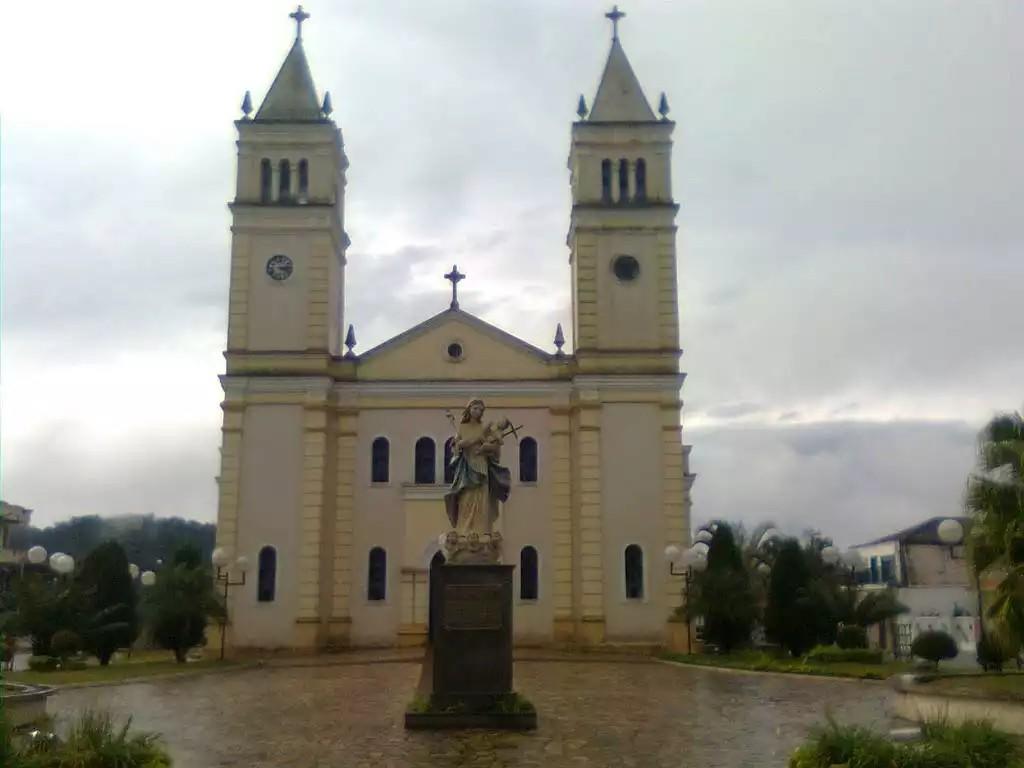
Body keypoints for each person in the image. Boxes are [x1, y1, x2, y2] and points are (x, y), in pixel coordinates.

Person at [444, 399, 511, 537]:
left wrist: (489, 447)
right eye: (475, 408)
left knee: (482, 500)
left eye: (480, 409)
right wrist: (474, 440)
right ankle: (465, 530)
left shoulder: (484, 428)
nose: (478, 411)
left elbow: (495, 451)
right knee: (467, 499)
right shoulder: (462, 427)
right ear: (469, 409)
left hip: (482, 467)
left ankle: (481, 531)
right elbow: (457, 446)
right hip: (467, 468)